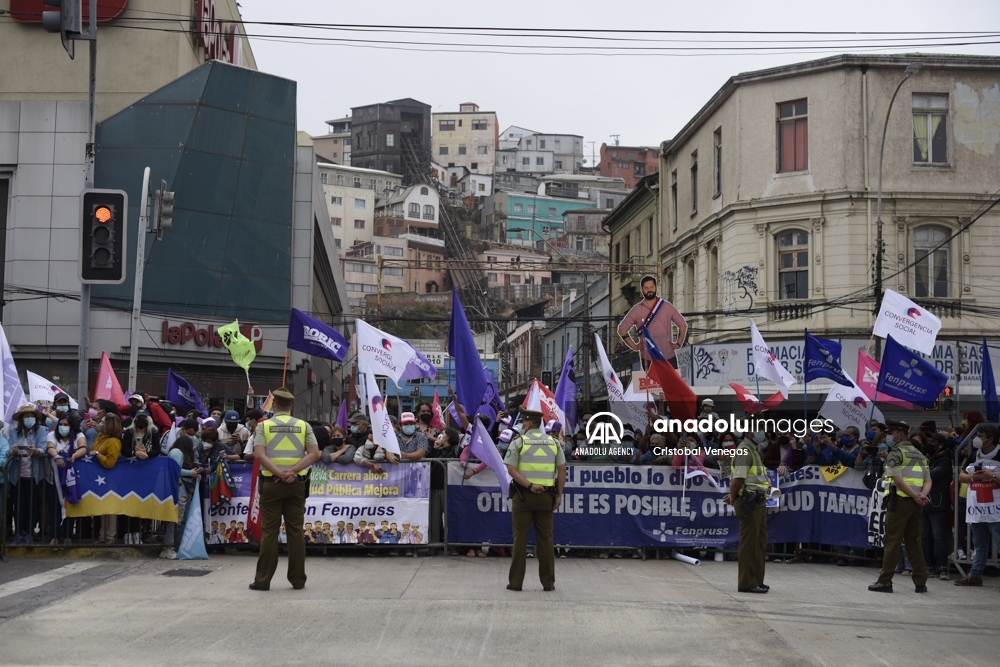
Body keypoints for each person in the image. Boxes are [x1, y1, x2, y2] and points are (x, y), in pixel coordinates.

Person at [250, 387, 320, 592]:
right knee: (296, 532)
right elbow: (314, 454)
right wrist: (293, 471)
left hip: (272, 484)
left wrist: (280, 474)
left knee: (269, 533)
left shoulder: (263, 427)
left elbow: (259, 455)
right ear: (291, 406)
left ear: (273, 405)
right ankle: (298, 580)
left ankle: (263, 581)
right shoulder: (304, 426)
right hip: (296, 484)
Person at [503, 408, 566, 592]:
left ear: (529, 423)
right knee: (546, 540)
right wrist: (559, 495)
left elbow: (511, 469)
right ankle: (548, 583)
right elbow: (562, 470)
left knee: (520, 539)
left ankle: (515, 583)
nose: (522, 425)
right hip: (546, 497)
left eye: (523, 422)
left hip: (523, 497)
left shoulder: (519, 441)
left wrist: (529, 486)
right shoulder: (554, 442)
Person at [869, 419, 931, 594]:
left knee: (892, 542)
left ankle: (885, 581)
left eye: (891, 433)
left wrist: (914, 495)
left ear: (900, 434)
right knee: (914, 542)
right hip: (916, 504)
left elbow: (898, 480)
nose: (888, 437)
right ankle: (920, 582)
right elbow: (928, 480)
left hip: (900, 502)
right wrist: (921, 496)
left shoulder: (896, 453)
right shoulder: (919, 454)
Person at [954, 424, 1000, 587]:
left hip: (996, 508)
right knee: (979, 542)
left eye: (980, 435)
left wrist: (992, 476)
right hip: (978, 506)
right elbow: (961, 476)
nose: (976, 439)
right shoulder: (974, 454)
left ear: (991, 439)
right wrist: (972, 477)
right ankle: (975, 575)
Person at [725, 431, 770, 593]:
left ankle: (757, 579)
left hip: (758, 500)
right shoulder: (745, 450)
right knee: (749, 544)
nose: (762, 432)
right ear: (749, 431)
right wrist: (733, 496)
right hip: (749, 502)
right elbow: (737, 479)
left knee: (759, 543)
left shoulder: (754, 449)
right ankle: (746, 582)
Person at [616, 275, 687, 369]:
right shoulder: (637, 310)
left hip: (668, 356)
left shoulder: (666, 306)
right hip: (648, 359)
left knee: (672, 384)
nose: (649, 289)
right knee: (651, 384)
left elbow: (682, 325)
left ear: (656, 288)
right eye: (646, 287)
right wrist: (634, 346)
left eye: (651, 287)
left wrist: (678, 343)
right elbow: (622, 329)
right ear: (642, 289)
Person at [6, 405, 51, 546]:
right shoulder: (14, 432)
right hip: (17, 475)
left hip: (35, 475)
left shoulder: (41, 430)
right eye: (26, 416)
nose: (29, 419)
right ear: (21, 419)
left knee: (32, 505)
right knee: (18, 506)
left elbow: (43, 447)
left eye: (31, 416)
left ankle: (30, 534)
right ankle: (19, 534)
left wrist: (36, 450)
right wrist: (13, 452)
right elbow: (8, 450)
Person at [160, 435, 206, 560]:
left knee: (184, 519)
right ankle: (168, 547)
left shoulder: (179, 453)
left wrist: (193, 475)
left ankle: (178, 545)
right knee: (177, 520)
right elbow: (175, 470)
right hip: (179, 490)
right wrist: (191, 473)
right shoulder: (176, 452)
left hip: (184, 491)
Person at [921, 432, 953, 580]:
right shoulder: (928, 456)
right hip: (924, 501)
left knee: (939, 537)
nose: (930, 443)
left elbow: (933, 474)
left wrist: (919, 473)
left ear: (941, 444)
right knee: (925, 536)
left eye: (933, 441)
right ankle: (928, 565)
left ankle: (943, 567)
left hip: (938, 502)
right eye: (929, 440)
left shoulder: (945, 458)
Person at [91, 413, 124, 545]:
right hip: (101, 478)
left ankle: (110, 536)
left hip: (110, 479)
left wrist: (98, 455)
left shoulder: (114, 442)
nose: (101, 424)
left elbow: (110, 463)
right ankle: (102, 535)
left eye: (104, 422)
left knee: (110, 510)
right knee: (103, 508)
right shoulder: (101, 437)